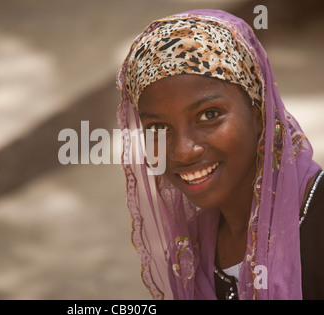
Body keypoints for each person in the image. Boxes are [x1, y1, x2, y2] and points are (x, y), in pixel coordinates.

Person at [116, 9, 324, 300]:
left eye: (209, 114)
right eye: (159, 127)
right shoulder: (194, 249)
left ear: (260, 114)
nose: (183, 151)